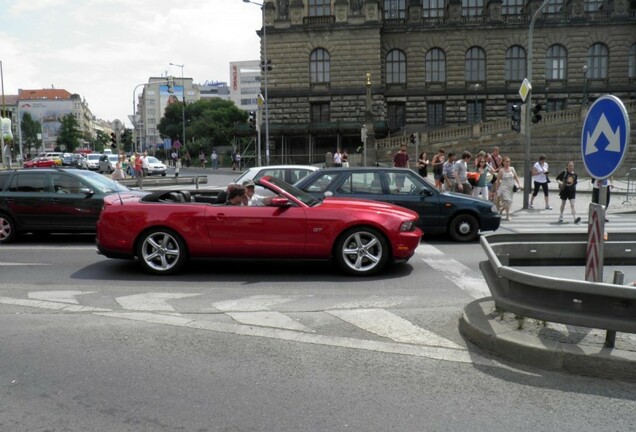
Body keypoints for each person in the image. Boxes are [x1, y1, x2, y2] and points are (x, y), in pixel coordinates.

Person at [495, 156, 522, 221]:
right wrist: (497, 189)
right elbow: (498, 181)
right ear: (503, 162)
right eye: (506, 161)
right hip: (504, 188)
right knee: (507, 202)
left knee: (509, 202)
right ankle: (507, 216)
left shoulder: (512, 169)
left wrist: (519, 184)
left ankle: (501, 210)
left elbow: (516, 177)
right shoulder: (501, 170)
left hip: (511, 188)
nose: (508, 163)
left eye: (509, 161)